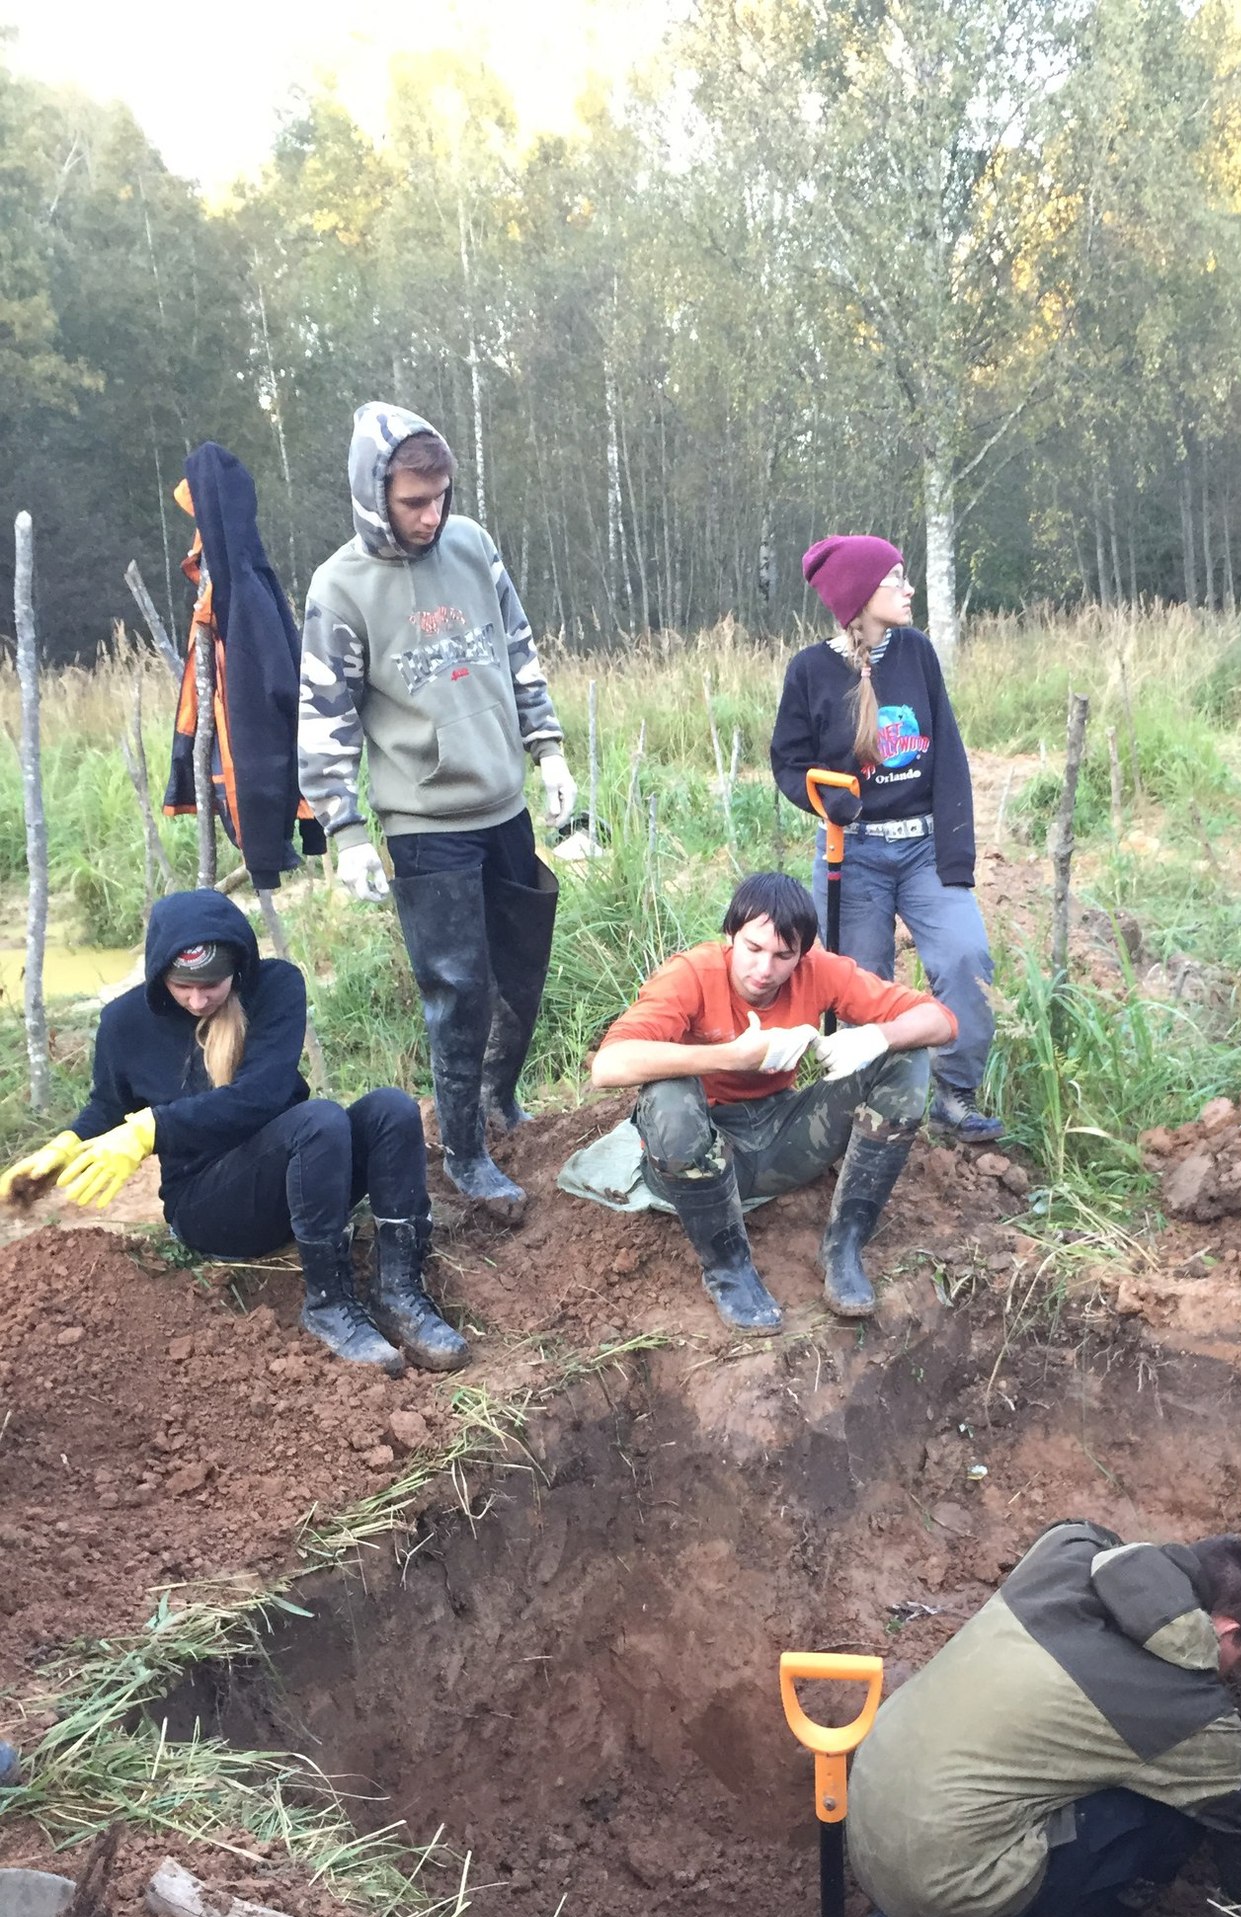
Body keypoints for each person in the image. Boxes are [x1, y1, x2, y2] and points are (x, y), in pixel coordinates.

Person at [845, 1521, 1241, 1917]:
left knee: (1012, 1763)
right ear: (1225, 1630)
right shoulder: (1192, 1714)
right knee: (1167, 1824)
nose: (1236, 1671)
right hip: (942, 1882)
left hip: (866, 1811)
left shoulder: (1067, 1551)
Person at [298, 402, 579, 1222]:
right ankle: (461, 1148)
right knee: (458, 987)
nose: (432, 516)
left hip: (503, 804)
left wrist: (549, 748)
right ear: (372, 493)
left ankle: (497, 1099)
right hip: (426, 824)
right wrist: (345, 829)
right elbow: (325, 717)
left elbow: (517, 649)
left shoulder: (472, 545)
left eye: (442, 497)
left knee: (521, 967)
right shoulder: (339, 587)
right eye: (415, 502)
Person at [0, 889, 466, 1377]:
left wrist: (151, 1129)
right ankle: (328, 1305)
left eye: (211, 986)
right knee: (320, 1121)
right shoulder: (125, 1023)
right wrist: (67, 1144)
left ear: (237, 971)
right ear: (160, 975)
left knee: (390, 1108)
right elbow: (109, 1105)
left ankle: (399, 1291)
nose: (197, 1000)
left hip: (301, 1179)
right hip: (209, 1205)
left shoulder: (276, 988)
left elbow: (261, 1096)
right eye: (182, 987)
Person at [591, 871, 956, 1330]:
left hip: (782, 1133)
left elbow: (940, 1019)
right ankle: (728, 1269)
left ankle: (843, 1247)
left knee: (905, 1059)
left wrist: (877, 1037)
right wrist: (731, 1057)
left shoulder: (818, 971)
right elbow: (607, 1066)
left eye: (784, 955)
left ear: (802, 952)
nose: (765, 970)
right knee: (668, 1096)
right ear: (731, 935)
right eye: (753, 949)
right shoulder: (691, 975)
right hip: (699, 1149)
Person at [770, 535, 1001, 1143]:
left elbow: (947, 751)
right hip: (855, 853)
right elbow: (788, 762)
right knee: (856, 981)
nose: (909, 588)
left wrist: (956, 854)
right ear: (859, 594)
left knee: (965, 959)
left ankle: (955, 1094)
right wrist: (824, 798)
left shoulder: (917, 654)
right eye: (896, 578)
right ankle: (868, 1109)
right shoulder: (810, 671)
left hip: (924, 847)